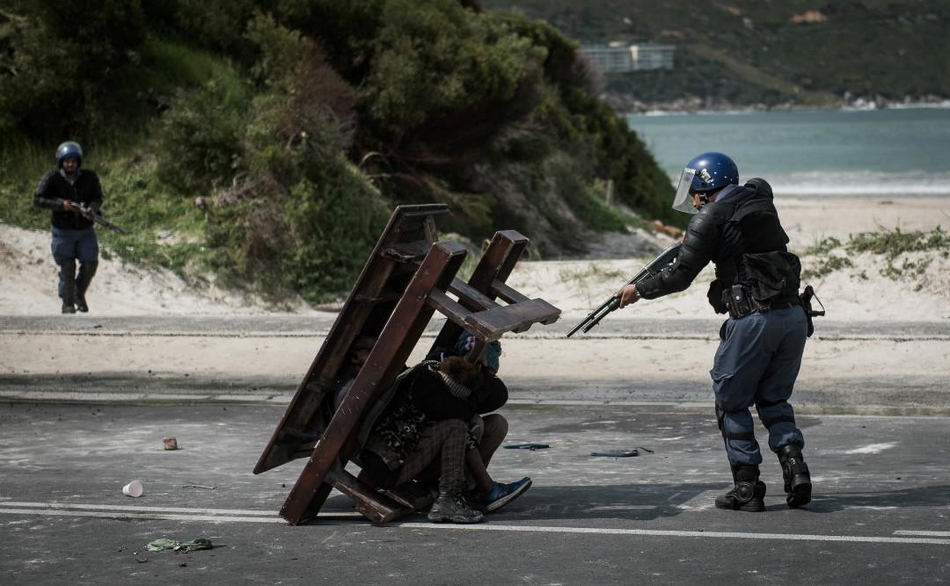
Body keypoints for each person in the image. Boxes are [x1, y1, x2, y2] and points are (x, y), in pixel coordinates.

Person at [617, 152, 813, 512]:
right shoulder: (758, 201)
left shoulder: (710, 216)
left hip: (754, 320)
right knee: (774, 400)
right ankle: (796, 469)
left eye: (695, 191)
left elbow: (679, 276)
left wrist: (638, 291)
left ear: (708, 186)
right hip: (793, 317)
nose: (693, 200)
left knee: (732, 402)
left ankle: (747, 489)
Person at [357, 355, 531, 523]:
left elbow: (496, 394)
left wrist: (483, 371)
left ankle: (475, 489)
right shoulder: (428, 388)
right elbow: (463, 412)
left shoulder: (433, 376)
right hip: (391, 467)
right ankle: (450, 498)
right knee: (457, 427)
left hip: (406, 456)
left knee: (490, 424)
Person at [33, 141, 103, 314]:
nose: (70, 164)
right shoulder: (52, 177)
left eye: (73, 160)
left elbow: (97, 196)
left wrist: (92, 209)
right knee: (67, 265)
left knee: (90, 263)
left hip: (85, 229)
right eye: (67, 161)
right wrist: (61, 205)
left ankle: (78, 292)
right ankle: (68, 304)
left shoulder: (89, 177)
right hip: (63, 230)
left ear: (78, 161)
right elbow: (38, 199)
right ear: (61, 162)